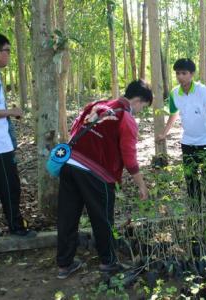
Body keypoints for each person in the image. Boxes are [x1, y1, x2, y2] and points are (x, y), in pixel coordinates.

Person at [56, 79, 152, 279]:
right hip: (96, 174)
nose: (141, 111)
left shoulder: (97, 104)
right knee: (102, 219)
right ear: (138, 100)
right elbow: (129, 157)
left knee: (67, 217)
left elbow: (75, 127)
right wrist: (141, 185)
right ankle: (108, 262)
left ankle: (64, 265)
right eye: (143, 106)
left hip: (70, 164)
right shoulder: (125, 118)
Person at [157, 58, 206, 208]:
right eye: (177, 73)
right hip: (188, 141)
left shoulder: (203, 91)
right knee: (190, 176)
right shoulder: (175, 93)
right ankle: (195, 208)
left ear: (192, 74)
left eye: (184, 73)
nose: (180, 76)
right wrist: (164, 133)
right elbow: (173, 114)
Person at [0, 32, 36, 238]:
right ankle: (16, 227)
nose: (9, 55)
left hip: (0, 142)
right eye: (7, 51)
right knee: (11, 186)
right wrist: (12, 112)